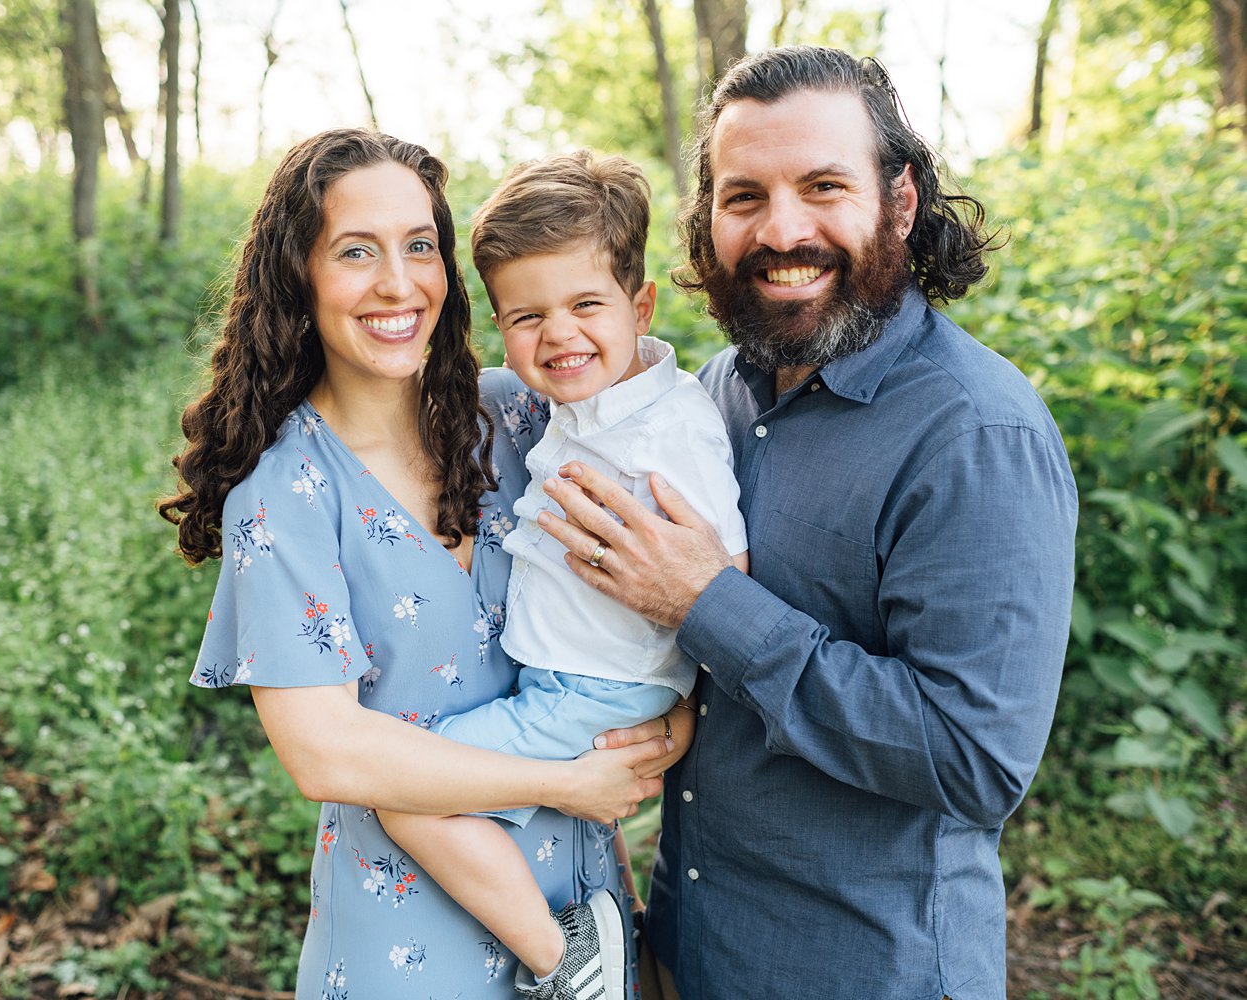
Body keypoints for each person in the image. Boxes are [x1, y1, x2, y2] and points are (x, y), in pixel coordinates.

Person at [534, 47, 1080, 999]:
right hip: (694, 947)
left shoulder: (973, 433)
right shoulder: (711, 400)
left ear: (900, 202)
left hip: (867, 970)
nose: (782, 229)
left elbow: (976, 757)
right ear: (709, 221)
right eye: (744, 196)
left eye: (823, 185)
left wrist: (711, 602)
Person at [159, 127, 687, 1000]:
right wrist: (568, 780)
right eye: (356, 251)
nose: (398, 283)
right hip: (408, 945)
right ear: (300, 274)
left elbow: (649, 589)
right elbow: (328, 754)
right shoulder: (286, 491)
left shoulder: (517, 418)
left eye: (420, 246)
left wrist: (669, 728)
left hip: (586, 911)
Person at [375, 150, 749, 1000]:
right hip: (577, 683)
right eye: (527, 316)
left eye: (586, 304)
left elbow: (726, 571)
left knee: (407, 793)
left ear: (640, 304)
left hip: (597, 694)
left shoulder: (670, 430)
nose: (559, 335)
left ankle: (568, 962)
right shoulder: (580, 408)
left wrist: (686, 695)